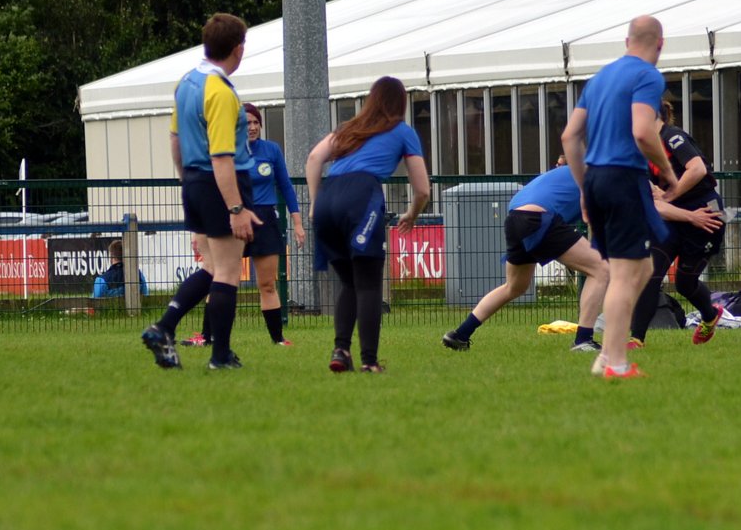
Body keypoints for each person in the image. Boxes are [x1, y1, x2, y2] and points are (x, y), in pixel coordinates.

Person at [560, 14, 677, 379]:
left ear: (627, 42)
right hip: (623, 178)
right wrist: (668, 171)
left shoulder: (599, 78)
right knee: (625, 275)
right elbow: (643, 131)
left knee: (641, 268)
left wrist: (584, 187)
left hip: (596, 179)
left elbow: (569, 137)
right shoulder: (648, 76)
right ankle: (615, 363)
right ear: (660, 44)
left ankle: (607, 356)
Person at [141, 13, 259, 371]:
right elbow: (221, 155)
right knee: (227, 272)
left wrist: (187, 183)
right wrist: (235, 207)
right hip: (219, 181)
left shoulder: (187, 83)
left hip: (193, 179)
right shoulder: (220, 92)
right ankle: (220, 356)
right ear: (238, 49)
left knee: (211, 267)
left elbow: (175, 139)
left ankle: (164, 327)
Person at [306, 75, 430, 373]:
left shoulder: (349, 129)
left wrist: (313, 203)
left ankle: (341, 351)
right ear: (401, 102)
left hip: (327, 200)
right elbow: (423, 190)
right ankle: (369, 362)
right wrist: (412, 214)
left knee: (349, 281)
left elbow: (313, 158)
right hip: (361, 197)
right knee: (369, 284)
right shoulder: (403, 131)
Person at [441, 159, 608, 352]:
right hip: (539, 218)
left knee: (514, 286)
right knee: (600, 270)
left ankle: (460, 334)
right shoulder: (601, 176)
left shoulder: (575, 170)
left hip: (515, 218)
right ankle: (583, 340)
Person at [628, 99, 727, 348]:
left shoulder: (673, 137)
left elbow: (697, 169)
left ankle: (710, 316)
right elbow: (652, 201)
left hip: (707, 212)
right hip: (673, 217)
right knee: (649, 274)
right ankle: (636, 339)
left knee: (684, 283)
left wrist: (670, 195)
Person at [243, 103, 304, 345]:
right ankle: (208, 336)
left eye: (256, 122)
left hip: (266, 218)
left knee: (267, 284)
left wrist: (297, 222)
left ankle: (278, 339)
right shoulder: (228, 152)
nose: (252, 127)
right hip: (236, 217)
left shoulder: (271, 149)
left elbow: (285, 186)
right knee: (221, 279)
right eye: (246, 123)